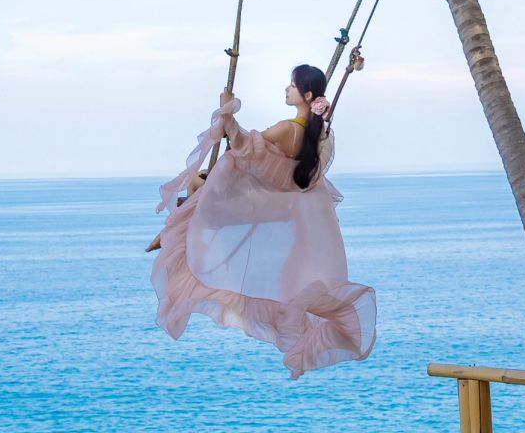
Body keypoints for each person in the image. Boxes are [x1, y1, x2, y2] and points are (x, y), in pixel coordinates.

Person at [149, 64, 376, 378]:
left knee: (197, 191)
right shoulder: (321, 135)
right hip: (279, 203)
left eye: (291, 85)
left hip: (256, 203)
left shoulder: (289, 128)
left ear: (306, 95)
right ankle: (175, 231)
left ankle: (174, 235)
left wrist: (226, 106)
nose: (286, 89)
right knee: (199, 190)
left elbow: (243, 144)